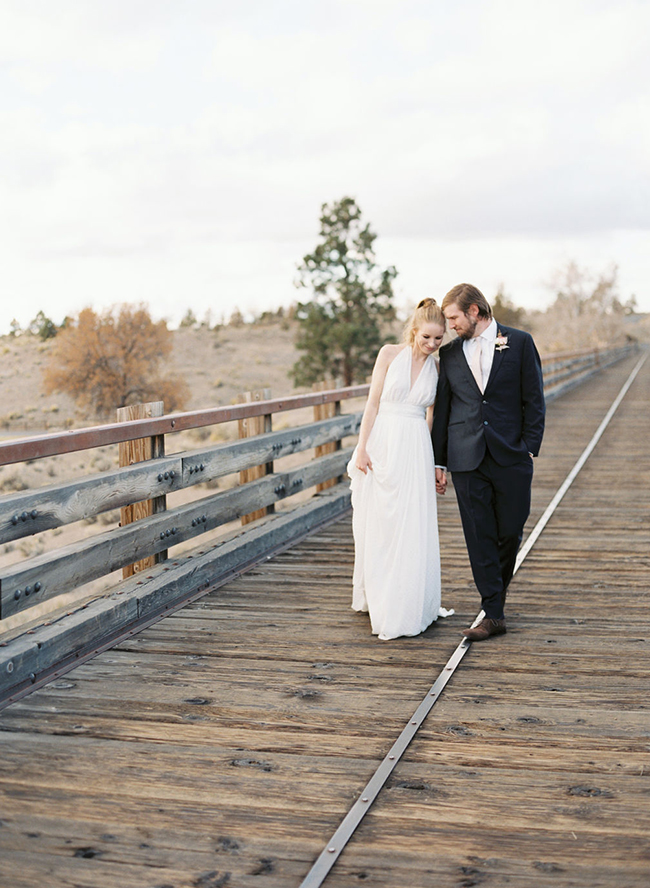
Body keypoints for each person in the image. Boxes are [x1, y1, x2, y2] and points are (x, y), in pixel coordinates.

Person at [432, 283, 545, 641]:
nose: (450, 325)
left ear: (475, 312)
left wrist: (528, 446)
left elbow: (535, 399)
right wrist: (440, 461)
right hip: (466, 457)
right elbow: (445, 409)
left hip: (510, 455)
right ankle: (493, 613)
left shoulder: (520, 343)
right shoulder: (449, 355)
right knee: (479, 535)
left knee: (509, 530)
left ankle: (494, 598)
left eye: (454, 317)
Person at [347, 298, 453, 640]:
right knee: (381, 520)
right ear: (414, 330)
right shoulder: (389, 354)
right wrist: (362, 448)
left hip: (415, 445)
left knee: (411, 521)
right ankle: (379, 594)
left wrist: (437, 462)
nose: (432, 345)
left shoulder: (436, 368)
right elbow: (373, 402)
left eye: (439, 339)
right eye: (426, 338)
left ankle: (407, 601)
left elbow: (432, 416)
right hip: (383, 441)